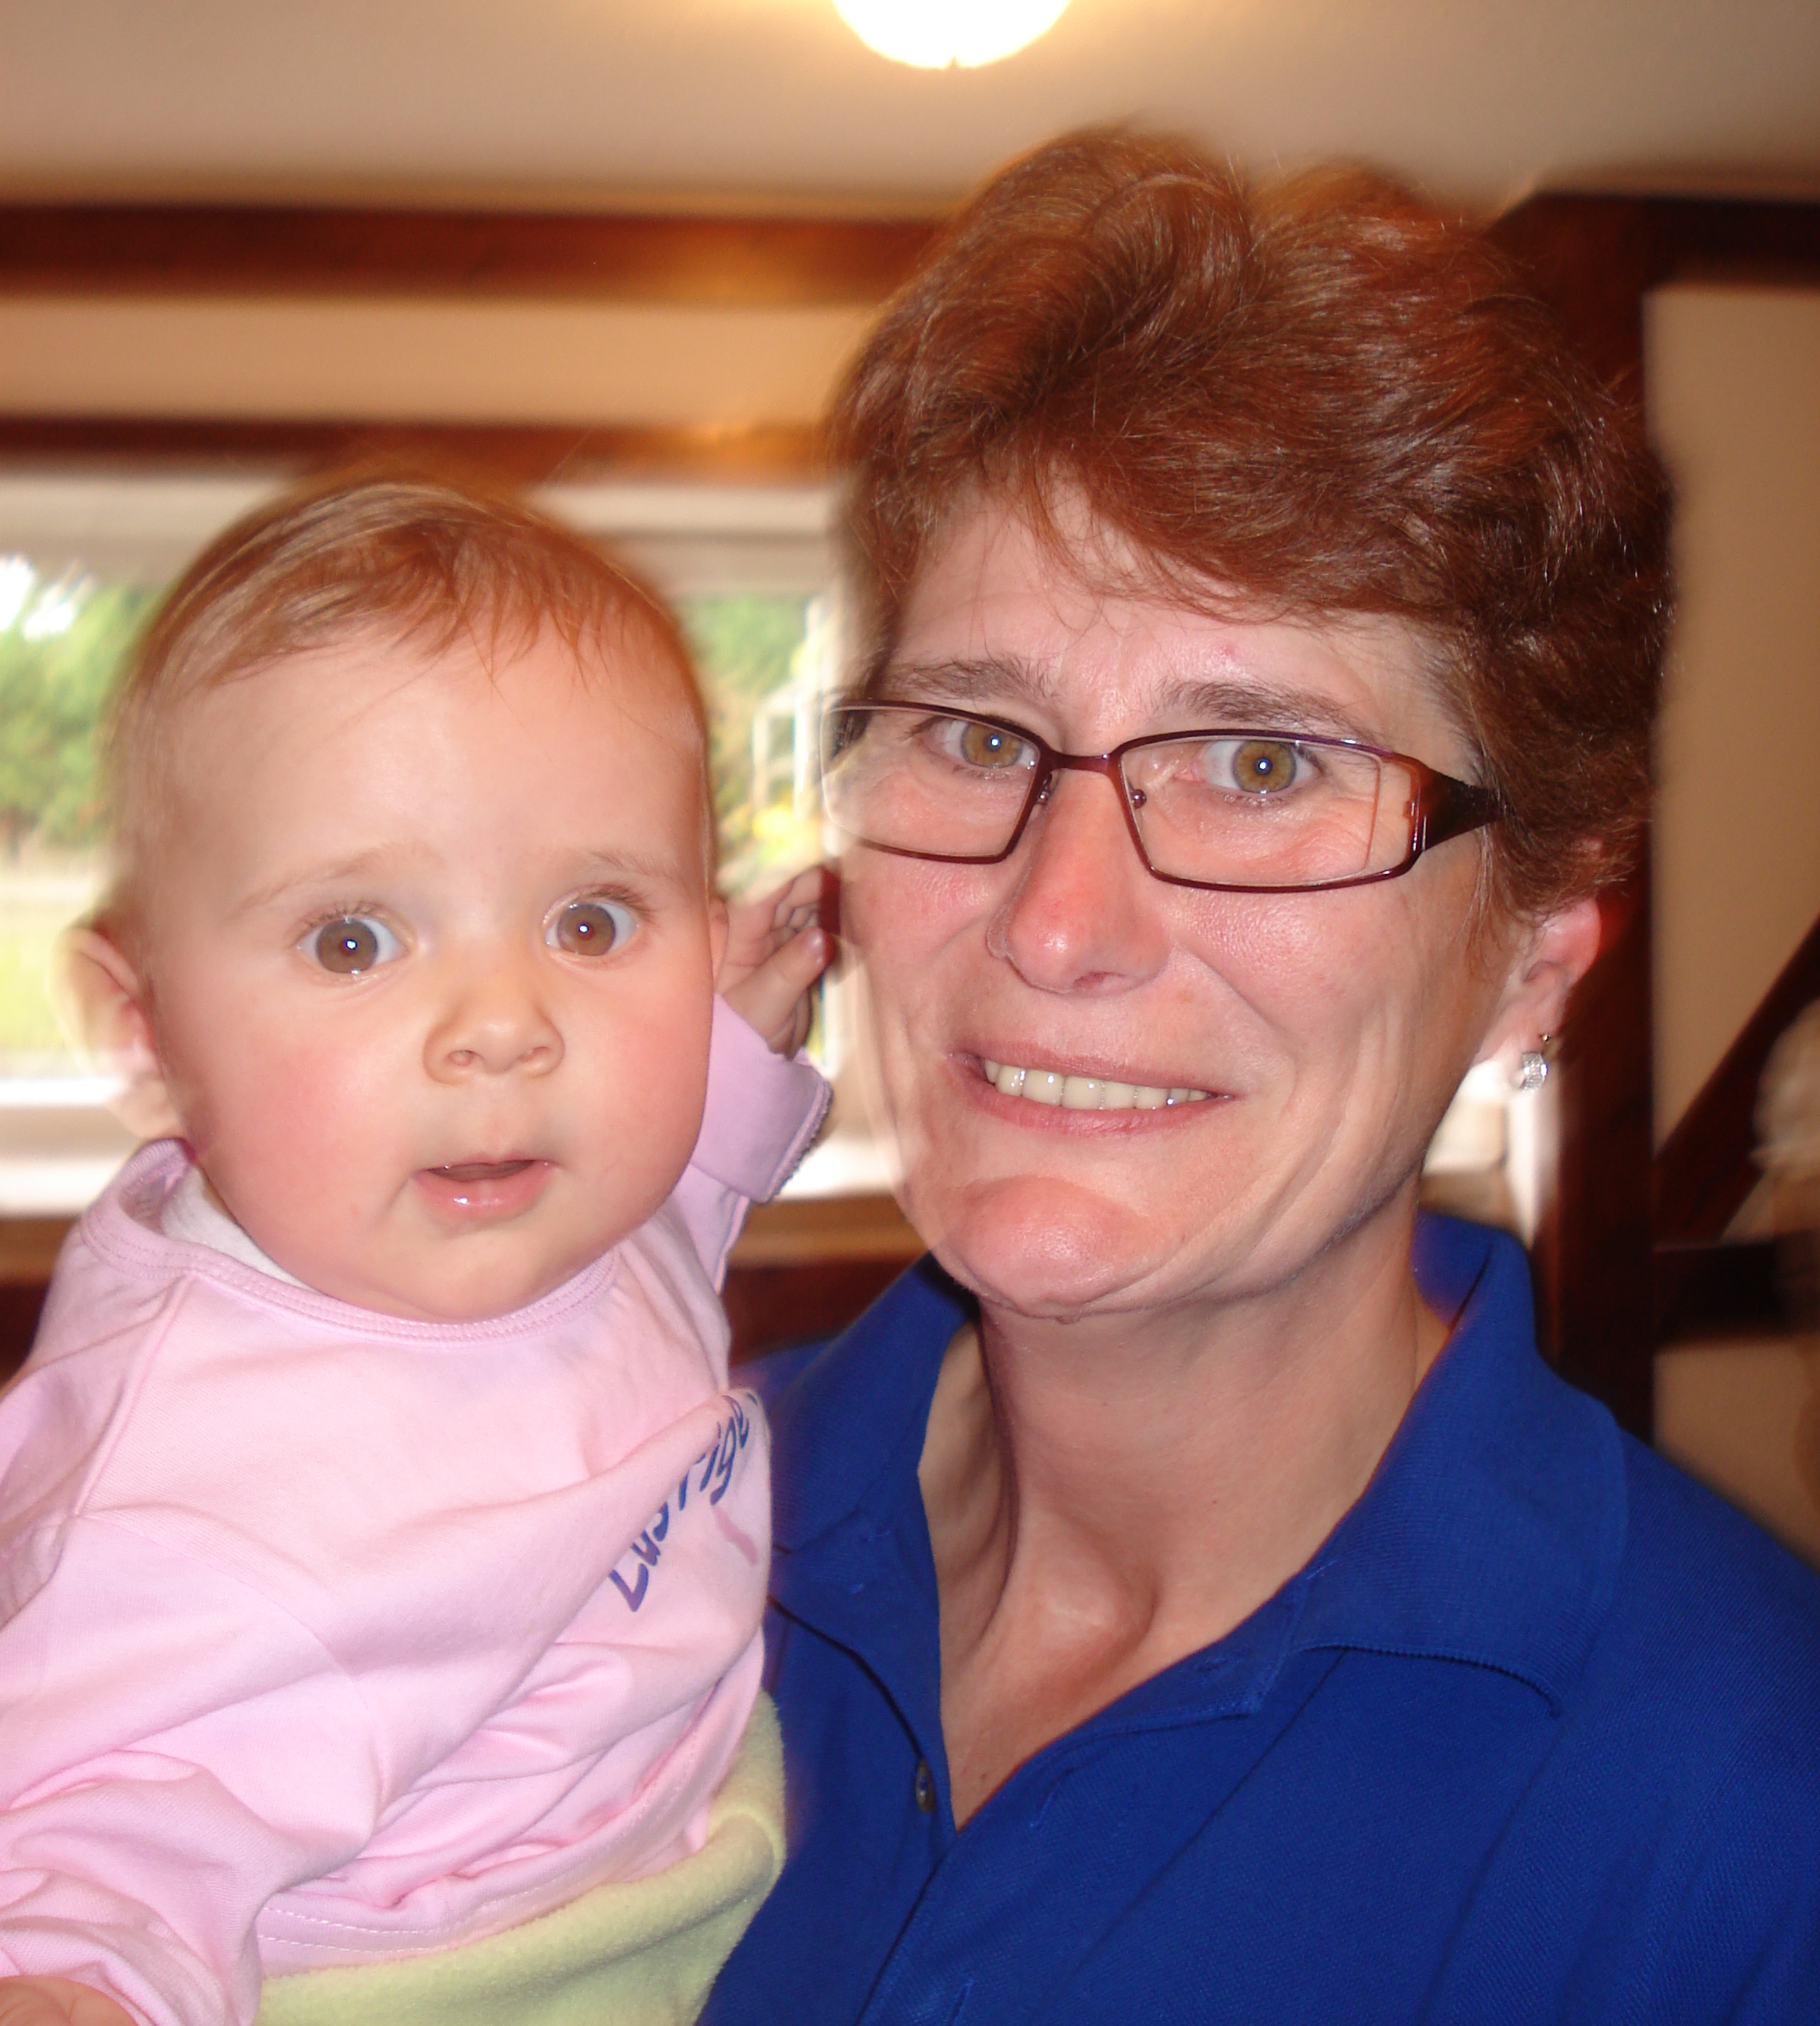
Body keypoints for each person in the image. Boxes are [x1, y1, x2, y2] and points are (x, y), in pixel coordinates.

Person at [704, 133, 1820, 2025]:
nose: (1060, 924)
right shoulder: (623, 1510)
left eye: (1264, 767)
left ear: (1529, 963)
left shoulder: (1748, 1819)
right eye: (980, 734)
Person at [0, 479, 833, 2026]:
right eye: (354, 941)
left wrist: (730, 1050)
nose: (506, 1026)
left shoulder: (532, 1206)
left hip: (662, 1843)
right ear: (144, 1029)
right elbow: (89, 1859)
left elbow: (664, 1233)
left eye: (593, 924)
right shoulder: (197, 1509)